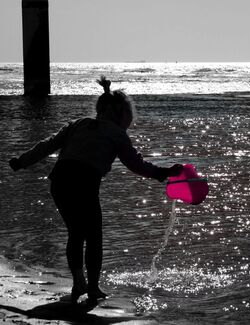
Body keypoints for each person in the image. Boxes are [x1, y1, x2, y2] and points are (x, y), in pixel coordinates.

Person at [9, 76, 183, 306]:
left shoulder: (78, 123)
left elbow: (47, 145)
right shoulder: (117, 134)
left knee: (75, 232)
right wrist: (164, 172)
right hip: (84, 182)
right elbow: (136, 164)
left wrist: (21, 161)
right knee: (93, 236)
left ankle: (78, 281)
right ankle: (92, 287)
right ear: (121, 114)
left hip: (59, 181)